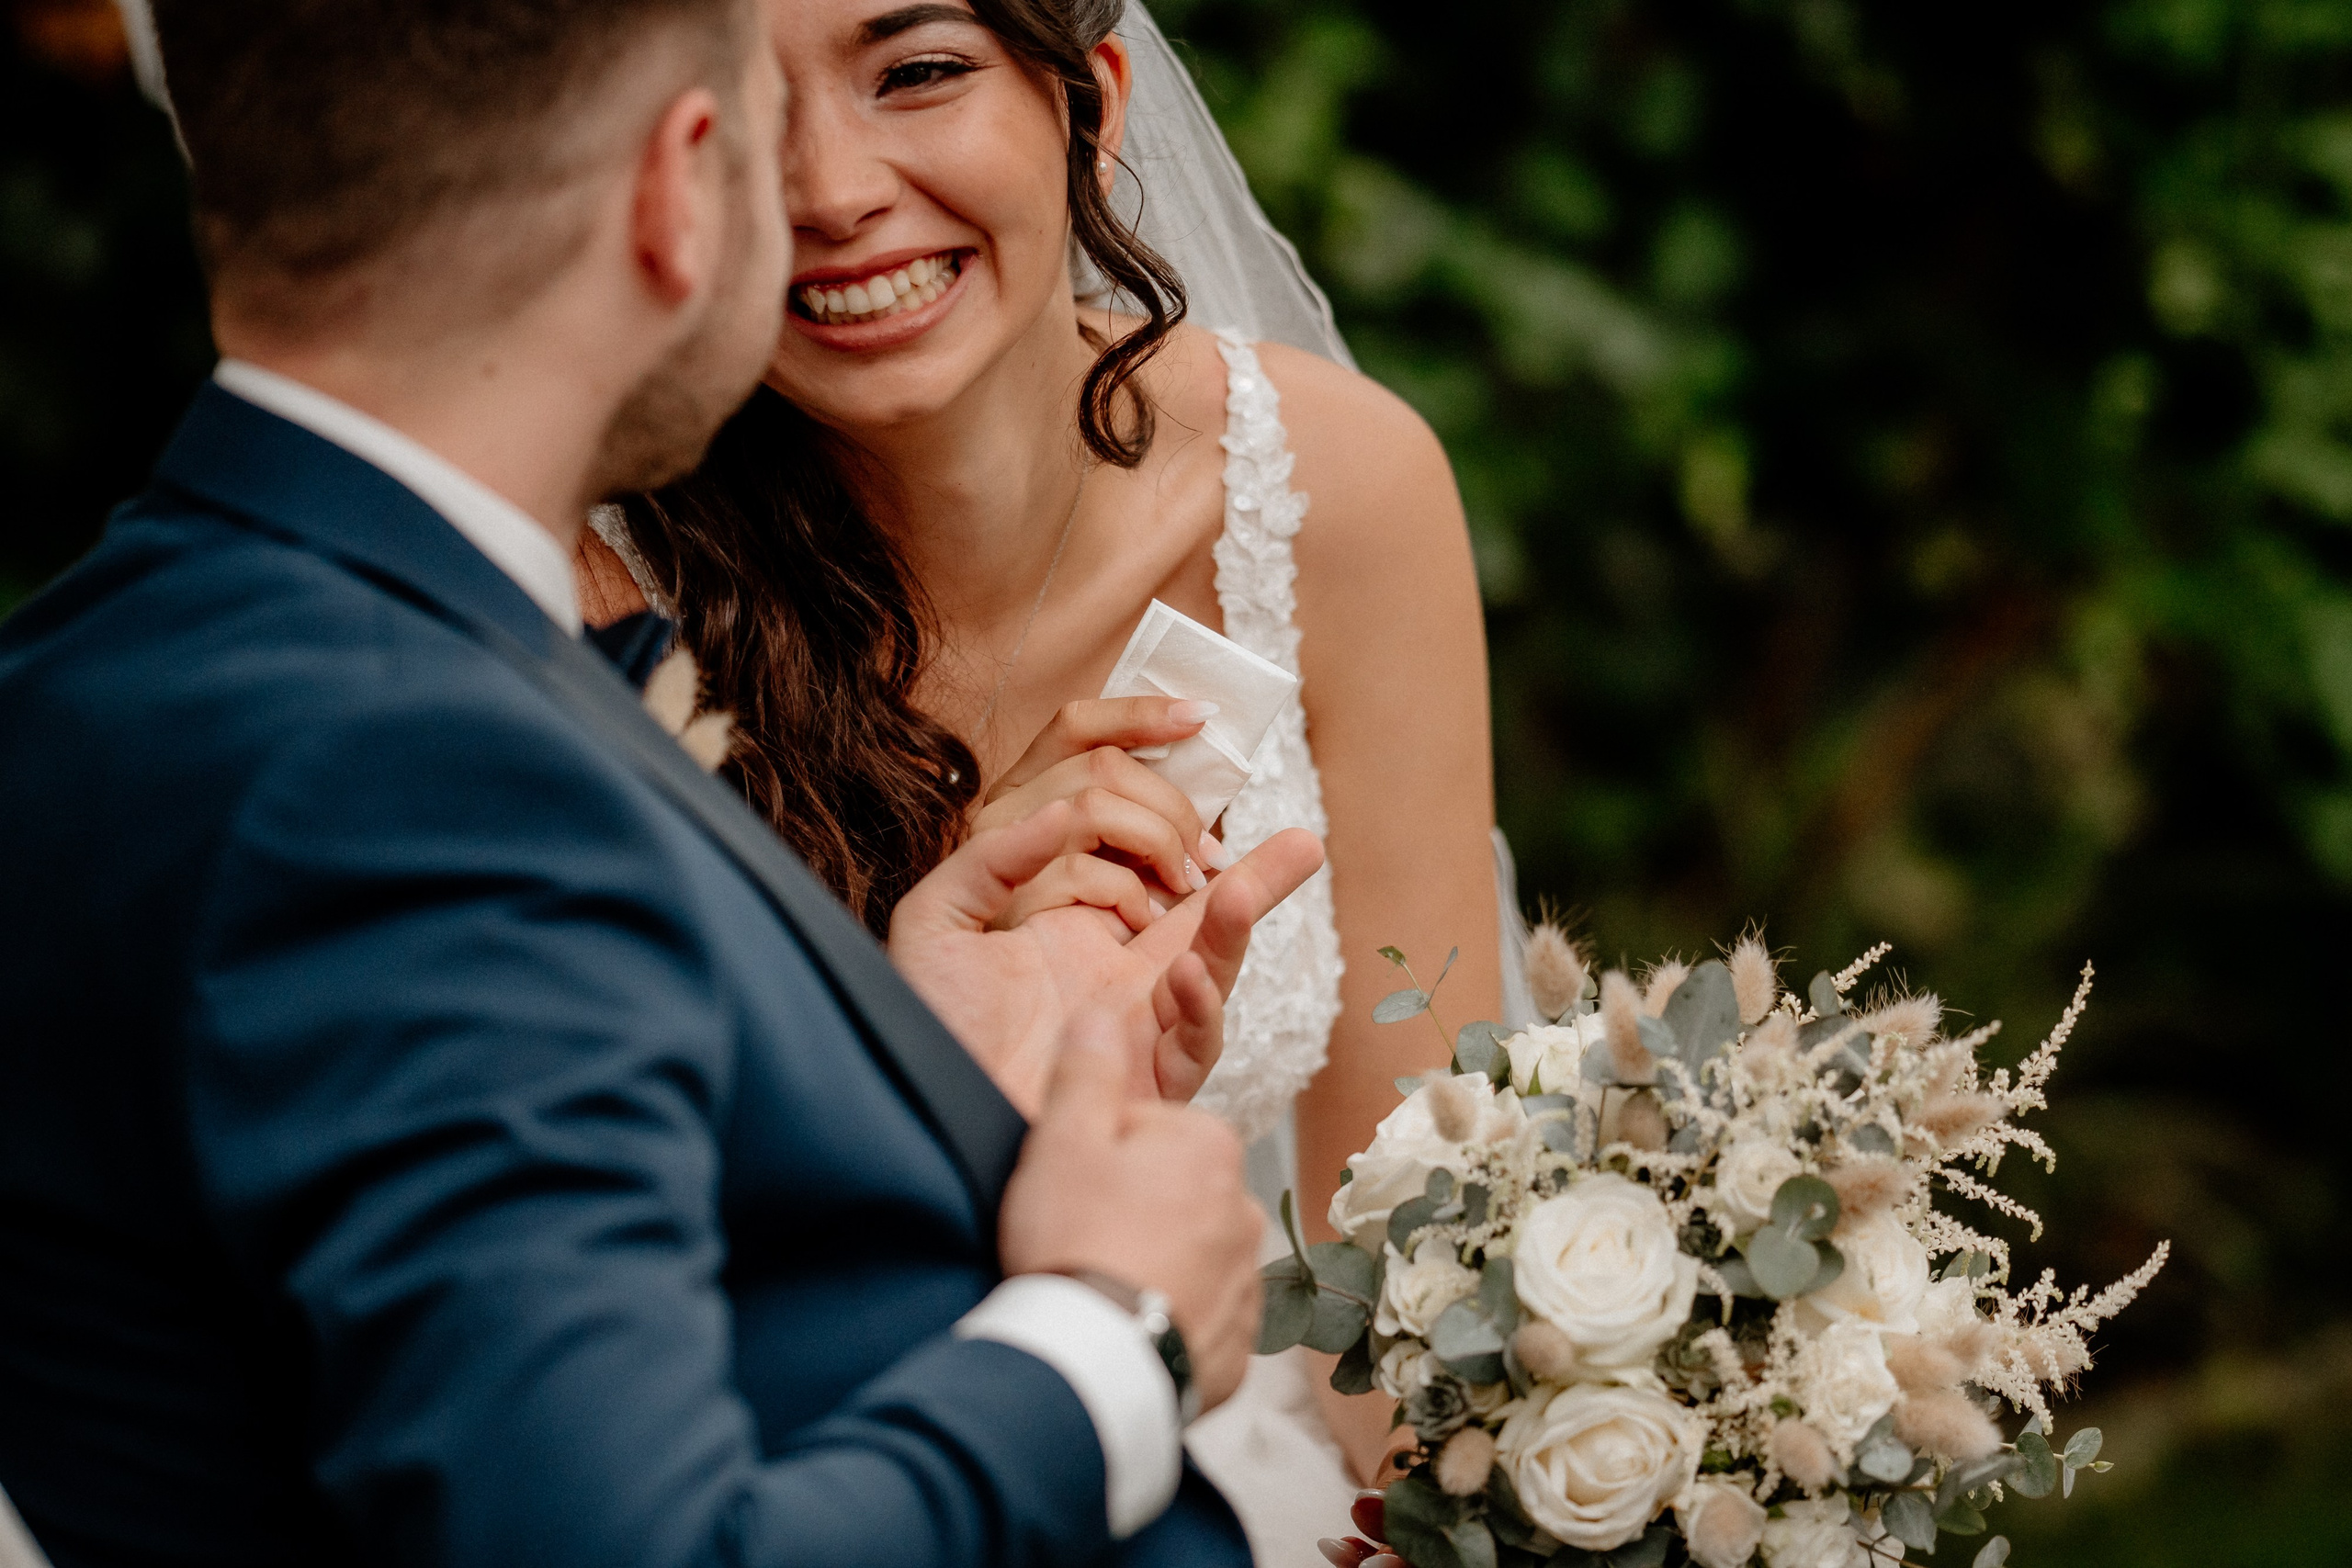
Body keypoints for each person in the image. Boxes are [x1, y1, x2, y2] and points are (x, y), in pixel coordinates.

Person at [0, 1, 1325, 1563]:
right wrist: (1116, 1334)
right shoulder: (409, 776)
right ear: (679, 183)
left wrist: (897, 1070)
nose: (826, 193)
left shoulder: (107, 669)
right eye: (766, 132)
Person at [572, 2, 1528, 1558]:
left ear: (1091, 99)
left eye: (919, 73)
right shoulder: (589, 610)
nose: (832, 190)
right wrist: (920, 1045)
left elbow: (1410, 1273)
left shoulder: (1335, 493)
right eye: (736, 108)